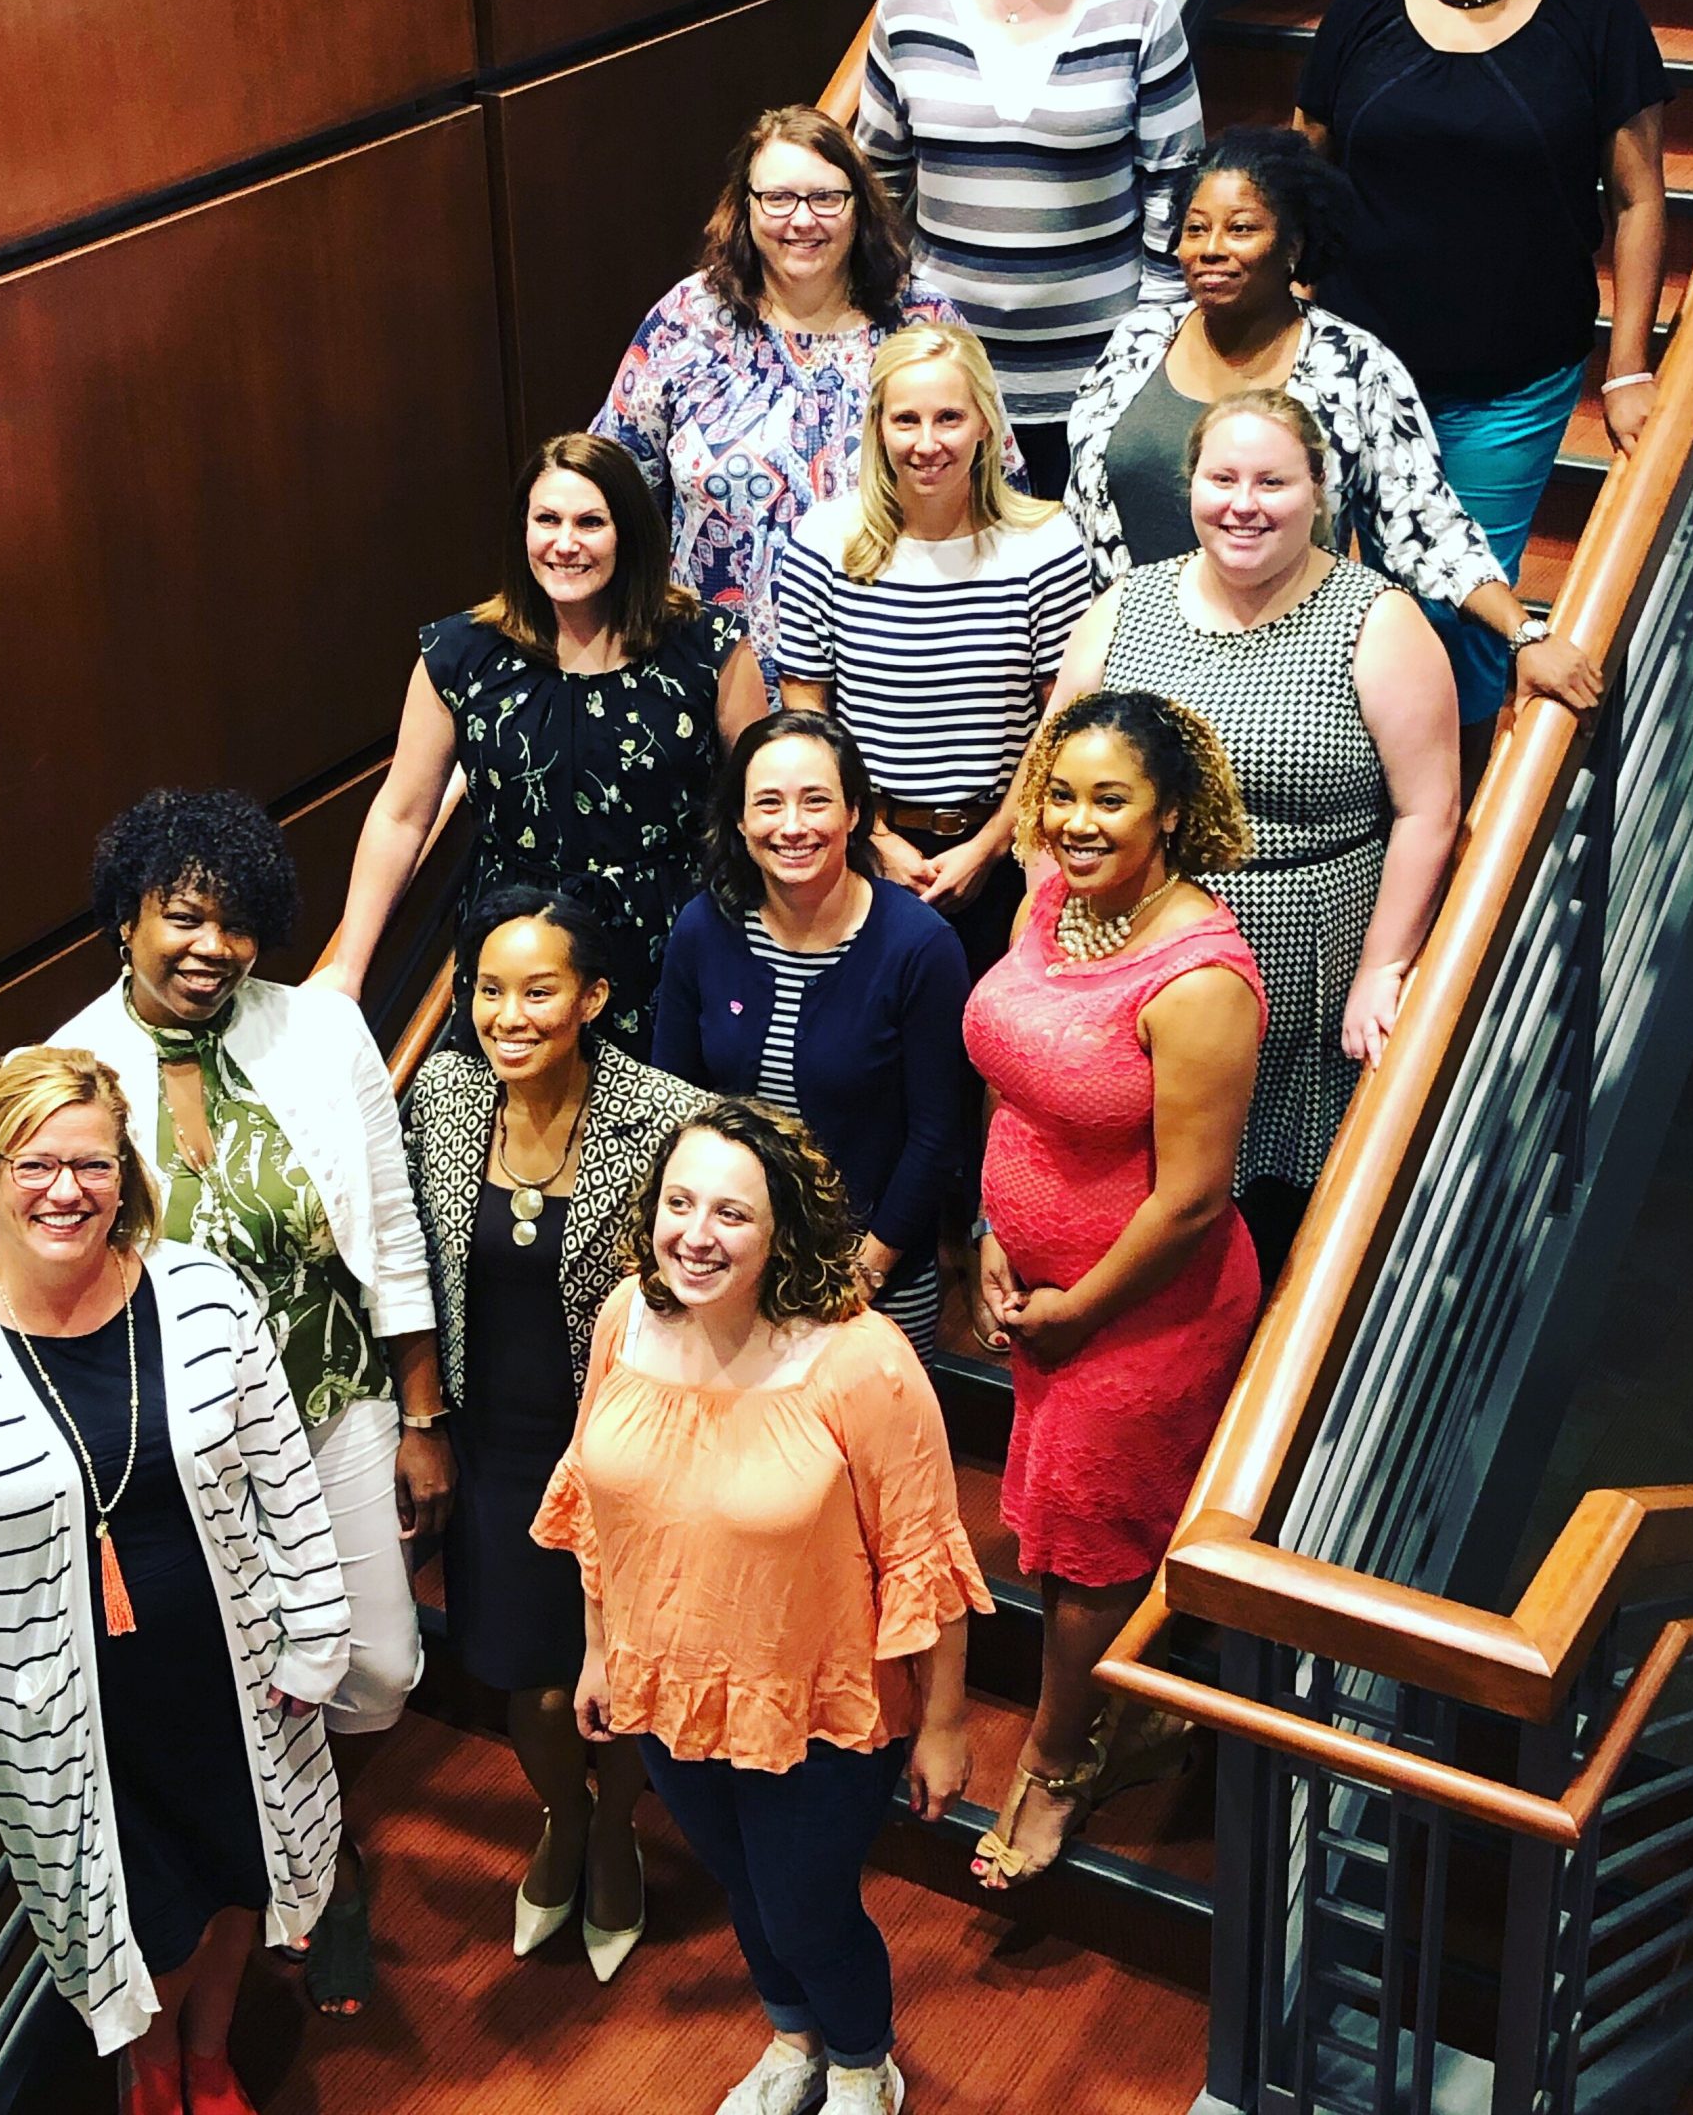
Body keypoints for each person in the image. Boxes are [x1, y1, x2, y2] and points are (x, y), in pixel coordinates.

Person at [0, 1048, 348, 2115]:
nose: (65, 1191)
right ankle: (150, 2068)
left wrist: (315, 1631)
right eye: (33, 1164)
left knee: (234, 1885)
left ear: (125, 1174)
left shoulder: (206, 1295)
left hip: (233, 1679)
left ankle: (209, 2059)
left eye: (91, 1164)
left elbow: (285, 1481)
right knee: (141, 1921)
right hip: (65, 1720)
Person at [55, 787, 442, 2019]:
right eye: (182, 917)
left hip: (333, 1401)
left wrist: (421, 1414)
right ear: (126, 917)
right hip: (189, 1451)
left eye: (236, 925)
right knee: (244, 1672)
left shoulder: (318, 1033)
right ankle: (317, 1870)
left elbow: (387, 1221)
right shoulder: (61, 1070)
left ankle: (312, 1830)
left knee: (374, 1668)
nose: (210, 947)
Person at [534, 1100, 990, 2114]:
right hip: (668, 1681)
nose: (694, 1234)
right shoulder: (625, 1319)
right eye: (677, 1202)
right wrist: (599, 1650)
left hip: (819, 1699)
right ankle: (792, 2041)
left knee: (805, 1905)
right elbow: (595, 1508)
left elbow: (925, 1553)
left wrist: (946, 1722)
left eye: (731, 1213)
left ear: (783, 1225)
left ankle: (865, 2062)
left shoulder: (860, 1360)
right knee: (743, 1887)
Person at [1291, 0, 1668, 770]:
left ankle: (1446, 811)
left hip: (1508, 379)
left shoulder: (1595, 14)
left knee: (1465, 604)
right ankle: (1361, 792)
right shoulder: (1363, 8)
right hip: (1355, 376)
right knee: (1335, 591)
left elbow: (1636, 200)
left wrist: (1626, 368)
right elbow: (1301, 174)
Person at [963, 693, 1265, 1888]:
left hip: (1145, 1311)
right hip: (1036, 1284)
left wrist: (1079, 1306)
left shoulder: (1200, 978)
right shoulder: (1049, 903)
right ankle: (1121, 1713)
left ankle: (1054, 1760)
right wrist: (991, 1226)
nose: (1074, 823)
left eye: (1108, 799)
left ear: (1169, 814)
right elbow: (1014, 1070)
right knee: (1056, 1538)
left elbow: (1191, 1198)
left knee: (1090, 1553)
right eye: (1060, 794)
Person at [1053, 393, 1461, 1274]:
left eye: (1273, 480)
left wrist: (1382, 969)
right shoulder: (1125, 604)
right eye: (1222, 478)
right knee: (1140, 1201)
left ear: (1320, 489)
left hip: (1304, 975)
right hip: (1133, 959)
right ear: (1190, 485)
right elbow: (1055, 788)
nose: (1244, 503)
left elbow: (1430, 811)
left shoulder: (1376, 620)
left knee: (1266, 1234)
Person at [403, 885, 708, 1981]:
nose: (509, 1014)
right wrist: (420, 1415)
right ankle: (562, 1816)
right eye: (488, 989)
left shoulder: (667, 1113)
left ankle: (618, 1823)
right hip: (494, 1447)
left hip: (626, 1446)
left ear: (592, 996)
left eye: (538, 989)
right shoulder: (439, 1094)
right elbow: (408, 1273)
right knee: (524, 1678)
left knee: (622, 1668)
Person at [1064, 126, 1603, 743]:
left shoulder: (1353, 366)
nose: (1210, 249)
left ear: (1293, 245)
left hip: (1284, 682)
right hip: (1130, 670)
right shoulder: (1139, 340)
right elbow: (1083, 514)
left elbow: (1423, 523)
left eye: (1241, 229)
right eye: (1195, 228)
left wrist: (1524, 634)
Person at [319, 431, 768, 1045]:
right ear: (521, 530)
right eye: (547, 520)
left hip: (669, 943)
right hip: (513, 950)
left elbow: (764, 801)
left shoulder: (708, 647)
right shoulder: (460, 654)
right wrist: (349, 968)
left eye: (590, 522)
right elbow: (401, 817)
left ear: (629, 532)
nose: (565, 543)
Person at [856, 0, 1205, 500]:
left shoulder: (1139, 2)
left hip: (1101, 375)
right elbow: (878, 179)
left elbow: (1175, 186)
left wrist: (1149, 352)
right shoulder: (908, 1)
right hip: (949, 385)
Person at [591, 104, 981, 690]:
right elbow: (611, 483)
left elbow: (993, 487)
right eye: (778, 198)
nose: (802, 220)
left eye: (826, 198)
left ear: (860, 207)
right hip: (715, 676)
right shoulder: (686, 320)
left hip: (892, 673)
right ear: (745, 205)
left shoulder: (923, 321)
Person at [777, 321, 1091, 978]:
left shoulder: (1046, 545)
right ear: (878, 428)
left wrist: (988, 846)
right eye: (906, 420)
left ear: (985, 423)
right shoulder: (824, 541)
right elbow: (808, 718)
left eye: (948, 417)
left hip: (1007, 855)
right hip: (862, 854)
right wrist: (876, 841)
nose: (927, 444)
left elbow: (1060, 720)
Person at [654, 715, 970, 1364]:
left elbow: (938, 1134)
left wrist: (866, 1271)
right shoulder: (703, 928)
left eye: (815, 800)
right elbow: (674, 1104)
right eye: (767, 803)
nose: (791, 826)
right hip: (728, 1268)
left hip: (876, 1274)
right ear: (739, 822)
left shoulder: (921, 947)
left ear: (857, 813)